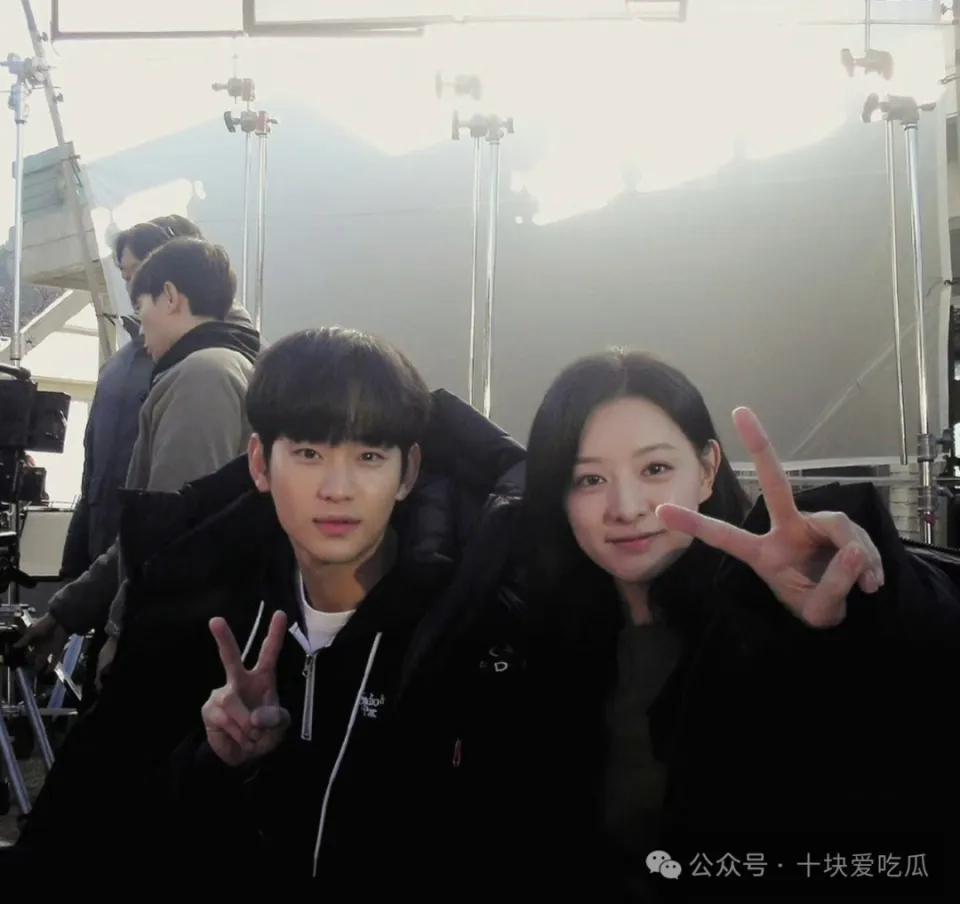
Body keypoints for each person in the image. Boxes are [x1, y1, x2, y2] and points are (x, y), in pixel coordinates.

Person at [9, 327, 550, 888]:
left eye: (369, 455)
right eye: (309, 453)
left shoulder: (471, 630)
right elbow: (106, 825)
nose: (337, 488)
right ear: (260, 464)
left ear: (407, 472)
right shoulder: (198, 604)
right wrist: (217, 760)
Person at [521, 350, 960, 901]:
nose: (626, 507)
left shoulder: (768, 614)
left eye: (655, 469)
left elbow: (917, 675)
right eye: (589, 479)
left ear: (707, 470)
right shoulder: (539, 634)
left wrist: (860, 607)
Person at [11, 238, 261, 855]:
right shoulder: (212, 368)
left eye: (141, 305)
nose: (139, 326)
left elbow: (170, 540)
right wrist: (67, 613)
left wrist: (122, 637)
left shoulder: (203, 375)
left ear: (171, 297)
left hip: (164, 653)